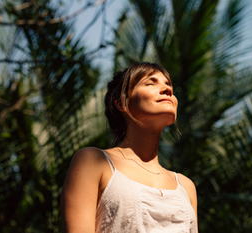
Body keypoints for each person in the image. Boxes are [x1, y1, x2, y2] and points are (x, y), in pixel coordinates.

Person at [60, 62, 198, 233]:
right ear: (122, 104)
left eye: (168, 85)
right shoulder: (93, 162)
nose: (167, 90)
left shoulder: (186, 186)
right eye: (150, 83)